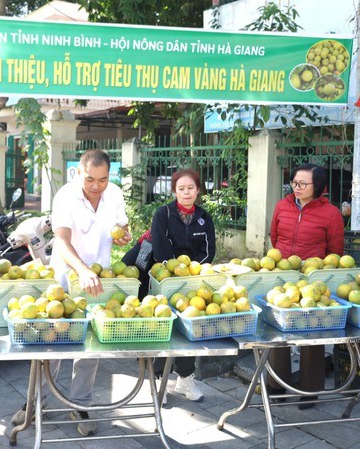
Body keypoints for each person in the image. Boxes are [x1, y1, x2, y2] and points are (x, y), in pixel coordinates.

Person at [11, 149, 131, 436]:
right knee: (51, 344)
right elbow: (62, 241)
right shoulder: (65, 195)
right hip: (65, 280)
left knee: (91, 348)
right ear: (79, 172)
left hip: (98, 281)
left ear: (109, 176)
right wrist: (82, 270)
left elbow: (122, 226)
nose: (96, 186)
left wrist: (124, 233)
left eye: (102, 180)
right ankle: (35, 402)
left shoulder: (113, 194)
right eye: (90, 179)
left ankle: (80, 403)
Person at [122, 169, 215, 403]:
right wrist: (171, 272)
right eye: (181, 189)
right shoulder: (163, 213)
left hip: (190, 282)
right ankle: (156, 381)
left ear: (198, 190)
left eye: (190, 188)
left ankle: (185, 379)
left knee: (187, 329)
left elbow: (208, 252)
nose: (186, 193)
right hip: (159, 277)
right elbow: (161, 248)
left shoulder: (205, 217)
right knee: (162, 328)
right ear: (174, 191)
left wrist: (191, 272)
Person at [268, 163, 344, 409]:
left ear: (318, 187)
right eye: (294, 182)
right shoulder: (283, 205)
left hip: (313, 280)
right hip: (281, 276)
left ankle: (310, 390)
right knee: (277, 329)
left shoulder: (331, 213)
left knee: (312, 332)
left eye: (303, 184)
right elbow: (275, 236)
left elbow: (336, 251)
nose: (296, 187)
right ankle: (276, 384)